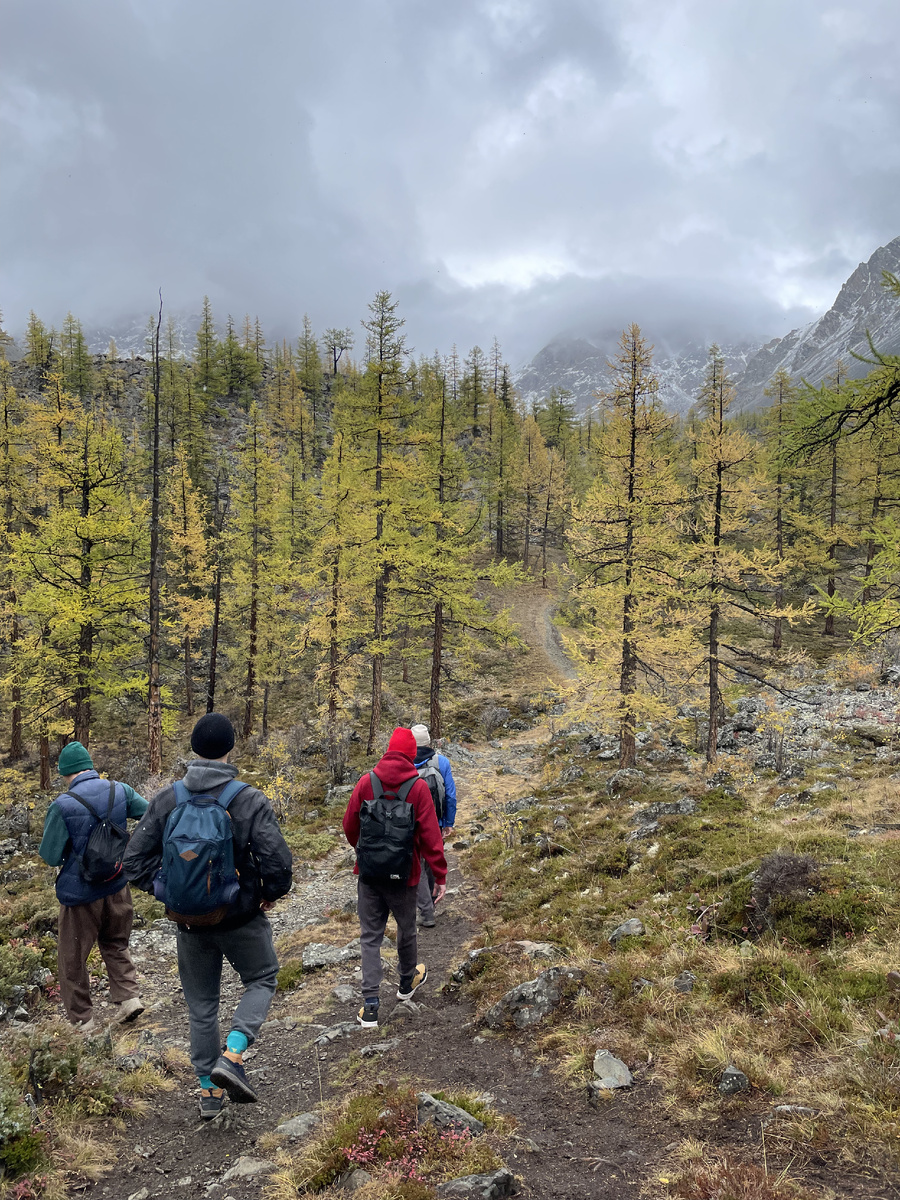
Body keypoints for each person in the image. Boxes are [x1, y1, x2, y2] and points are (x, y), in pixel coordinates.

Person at [124, 713, 292, 1120]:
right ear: (230, 748)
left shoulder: (168, 798)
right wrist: (265, 896)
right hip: (239, 918)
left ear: (194, 750)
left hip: (188, 923)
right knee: (262, 977)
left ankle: (207, 1092)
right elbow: (279, 864)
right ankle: (232, 1055)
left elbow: (133, 861)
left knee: (201, 1005)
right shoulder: (247, 799)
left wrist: (167, 891)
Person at [39, 741, 148, 1034]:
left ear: (66, 773)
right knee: (115, 942)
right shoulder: (120, 790)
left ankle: (82, 1022)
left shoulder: (62, 805)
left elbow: (49, 855)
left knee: (72, 957)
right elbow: (150, 815)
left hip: (80, 896)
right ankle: (129, 998)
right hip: (117, 884)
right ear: (90, 766)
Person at [343, 727, 447, 1030]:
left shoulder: (366, 782)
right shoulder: (417, 788)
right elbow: (431, 838)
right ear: (412, 753)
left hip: (370, 876)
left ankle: (370, 1006)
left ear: (388, 749)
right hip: (407, 876)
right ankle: (405, 984)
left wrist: (366, 852)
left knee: (370, 937)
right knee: (407, 928)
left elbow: (350, 826)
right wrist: (439, 875)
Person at [410, 723, 457, 929]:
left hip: (410, 824)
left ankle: (425, 910)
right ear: (429, 741)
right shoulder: (441, 762)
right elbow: (450, 796)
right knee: (431, 862)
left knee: (417, 863)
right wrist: (448, 822)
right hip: (435, 823)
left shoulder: (406, 763)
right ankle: (430, 904)